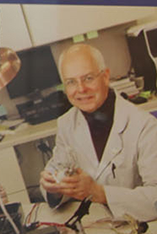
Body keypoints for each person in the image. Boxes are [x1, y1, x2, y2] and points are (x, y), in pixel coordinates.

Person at [38, 42, 157, 221]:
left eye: (88, 78)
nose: (80, 89)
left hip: (144, 229)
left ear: (106, 76)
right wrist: (53, 188)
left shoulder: (144, 126)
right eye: (71, 82)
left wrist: (99, 193)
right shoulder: (66, 123)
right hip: (97, 226)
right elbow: (57, 168)